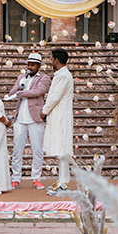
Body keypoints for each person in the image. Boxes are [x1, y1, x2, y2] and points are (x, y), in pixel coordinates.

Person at [5, 51, 51, 189]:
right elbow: (11, 94)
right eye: (29, 64)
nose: (30, 67)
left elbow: (38, 92)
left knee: (37, 150)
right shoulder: (21, 77)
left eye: (33, 65)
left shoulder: (44, 78)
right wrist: (20, 85)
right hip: (20, 118)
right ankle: (15, 178)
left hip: (35, 118)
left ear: (39, 66)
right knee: (17, 150)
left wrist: (21, 93)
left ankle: (36, 178)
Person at [43, 48, 75, 196]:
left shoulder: (63, 76)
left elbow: (55, 97)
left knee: (62, 151)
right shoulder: (61, 75)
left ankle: (64, 183)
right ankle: (62, 180)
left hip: (61, 117)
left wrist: (44, 110)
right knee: (59, 151)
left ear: (56, 59)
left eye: (51, 59)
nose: (51, 62)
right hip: (57, 115)